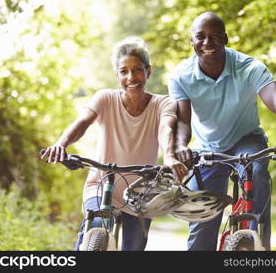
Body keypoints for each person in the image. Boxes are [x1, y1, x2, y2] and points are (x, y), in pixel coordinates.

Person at [168, 12, 276, 251]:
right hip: (208, 147)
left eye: (215, 36)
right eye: (201, 37)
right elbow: (183, 121)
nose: (207, 43)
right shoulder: (180, 76)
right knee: (201, 224)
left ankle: (255, 236)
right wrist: (181, 146)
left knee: (256, 172)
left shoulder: (249, 67)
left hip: (246, 140)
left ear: (225, 39)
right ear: (192, 42)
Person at [41, 36, 188, 251]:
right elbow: (82, 123)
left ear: (148, 71)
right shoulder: (105, 98)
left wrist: (169, 155)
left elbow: (166, 128)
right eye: (124, 71)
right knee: (96, 226)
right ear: (117, 74)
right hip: (101, 184)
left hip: (141, 192)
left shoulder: (163, 103)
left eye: (137, 70)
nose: (131, 77)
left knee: (134, 246)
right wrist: (61, 144)